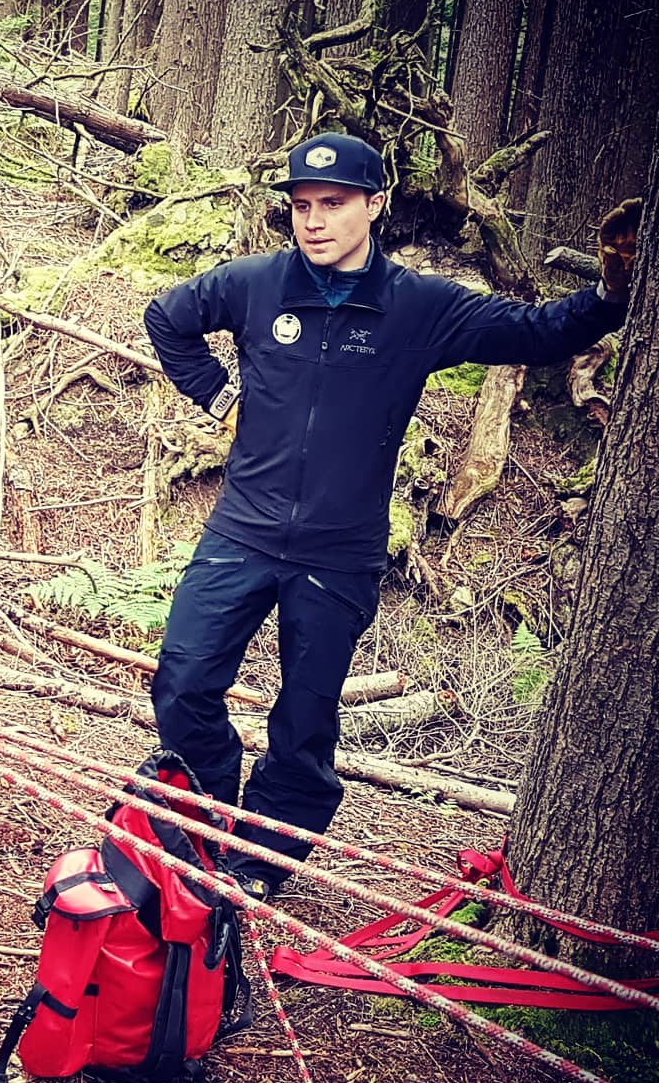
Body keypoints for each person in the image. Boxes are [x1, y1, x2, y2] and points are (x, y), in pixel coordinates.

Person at [142, 132, 640, 903]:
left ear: (375, 205)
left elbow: (536, 332)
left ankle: (264, 858)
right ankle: (205, 823)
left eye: (333, 204)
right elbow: (166, 317)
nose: (314, 221)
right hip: (241, 529)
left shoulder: (417, 307)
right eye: (302, 206)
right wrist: (219, 396)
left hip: (340, 551)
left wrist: (611, 293)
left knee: (304, 721)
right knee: (182, 681)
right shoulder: (253, 284)